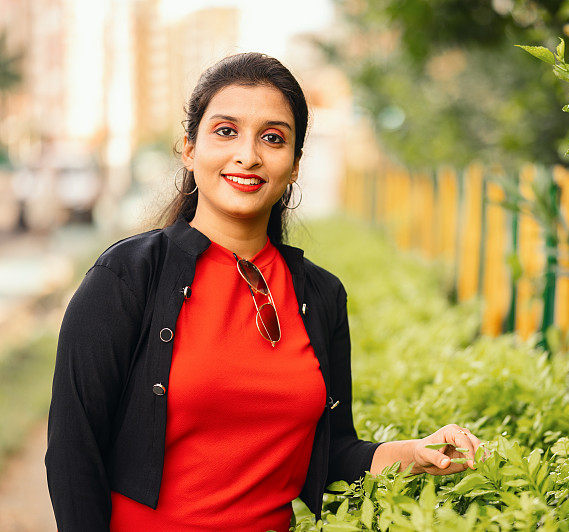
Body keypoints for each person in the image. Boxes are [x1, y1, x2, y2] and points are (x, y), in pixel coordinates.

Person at [45, 52, 482, 532]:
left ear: (294, 165)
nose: (248, 155)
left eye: (273, 138)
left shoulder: (321, 295)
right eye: (225, 131)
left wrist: (412, 452)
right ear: (189, 148)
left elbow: (332, 451)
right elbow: (73, 451)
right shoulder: (126, 276)